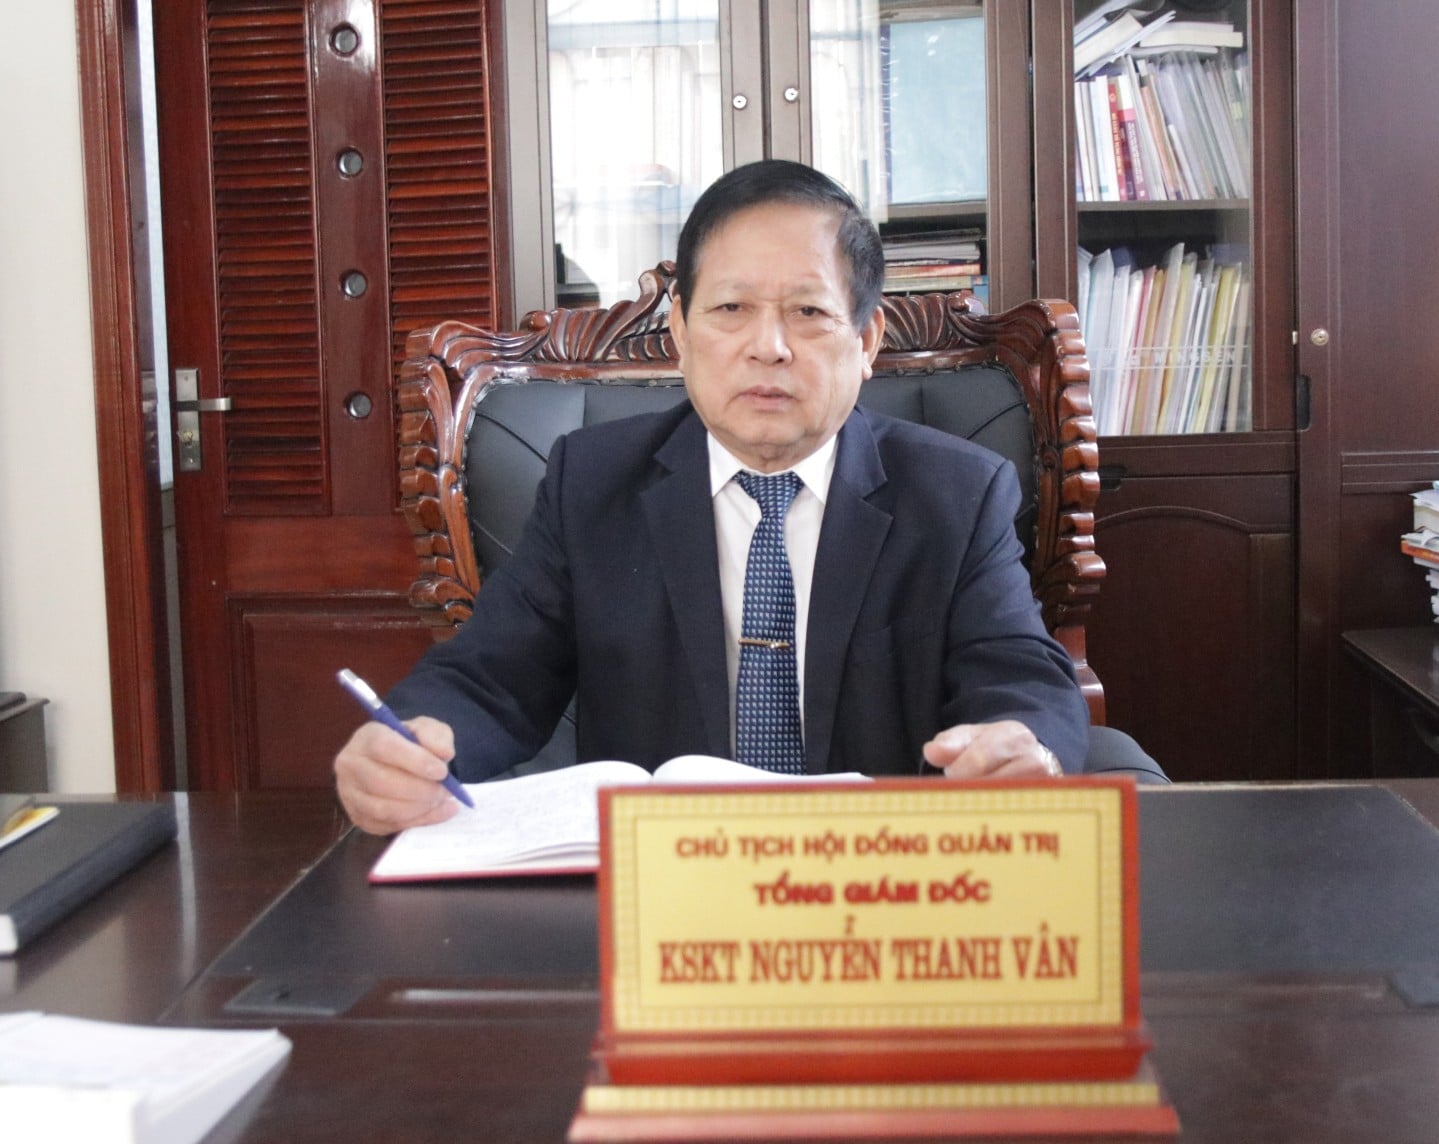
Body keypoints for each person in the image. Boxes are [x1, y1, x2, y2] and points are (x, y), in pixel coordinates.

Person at [335, 159, 1090, 835]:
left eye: (809, 312)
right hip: (661, 887)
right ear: (679, 330)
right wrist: (410, 744)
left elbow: (1017, 672)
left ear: (865, 342)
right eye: (731, 309)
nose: (769, 347)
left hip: (871, 881)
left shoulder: (955, 493)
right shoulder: (591, 483)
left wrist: (1022, 745)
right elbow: (492, 676)